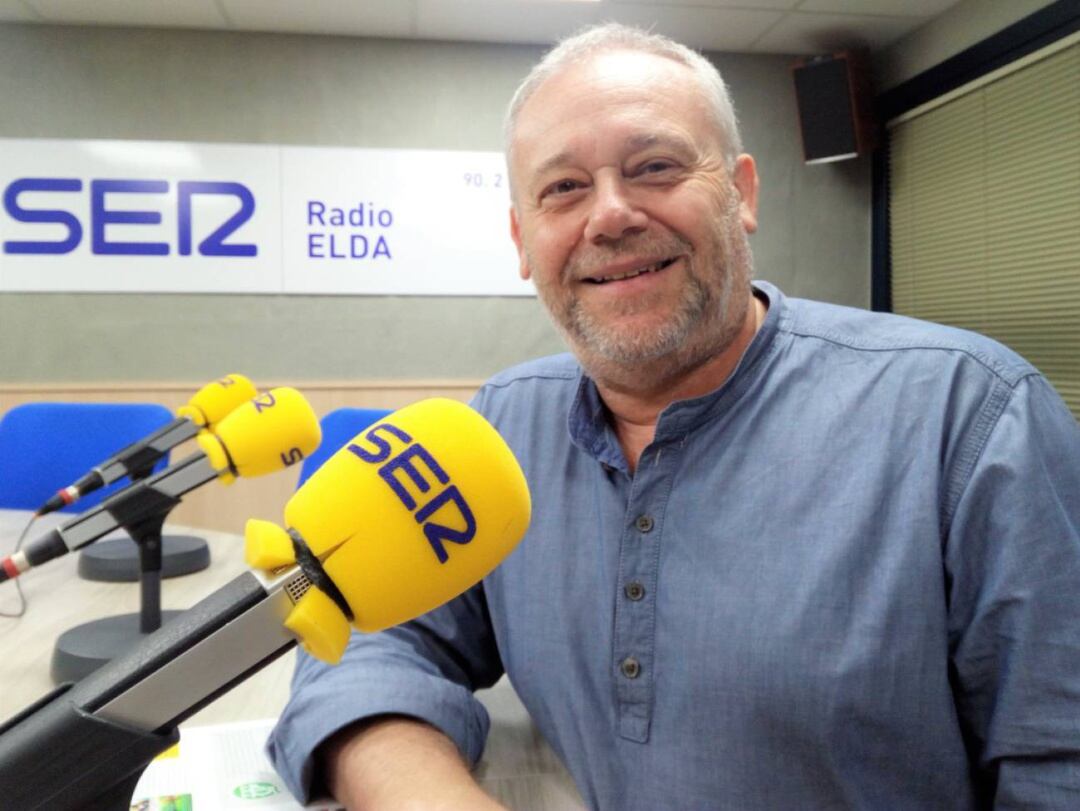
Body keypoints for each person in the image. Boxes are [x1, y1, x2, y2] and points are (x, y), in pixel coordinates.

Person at [268, 23, 1080, 810]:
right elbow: (367, 635)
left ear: (742, 192)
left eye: (655, 167)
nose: (611, 215)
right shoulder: (504, 427)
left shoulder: (968, 417)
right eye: (563, 188)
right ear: (523, 239)